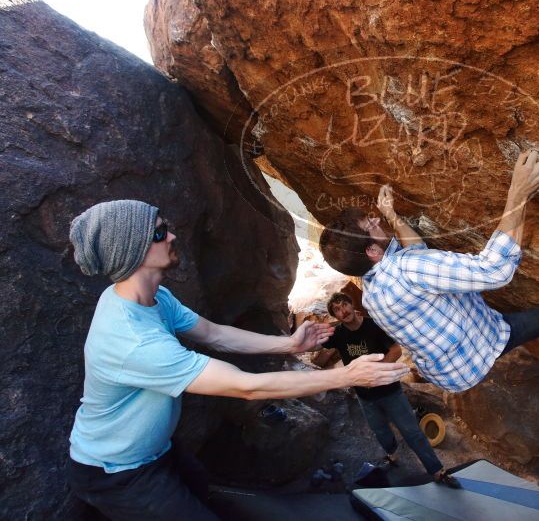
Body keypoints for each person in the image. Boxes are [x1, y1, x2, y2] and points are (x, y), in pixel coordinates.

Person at [65, 200, 409, 520]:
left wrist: (287, 344)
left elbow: (214, 334)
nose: (171, 235)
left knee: (212, 496)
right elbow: (247, 387)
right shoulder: (133, 340)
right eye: (158, 233)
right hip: (117, 472)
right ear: (132, 252)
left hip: (155, 452)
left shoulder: (152, 298)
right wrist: (346, 376)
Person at [319, 149, 539, 393]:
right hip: (480, 349)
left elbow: (416, 254)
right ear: (372, 252)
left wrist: (392, 216)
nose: (374, 220)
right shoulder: (408, 269)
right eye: (369, 225)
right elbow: (494, 271)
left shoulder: (372, 291)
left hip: (446, 374)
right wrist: (519, 191)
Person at [322, 292, 459, 488]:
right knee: (380, 430)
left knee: (412, 431)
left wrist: (377, 372)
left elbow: (396, 350)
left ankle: (437, 470)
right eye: (337, 309)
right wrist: (307, 334)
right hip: (364, 396)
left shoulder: (373, 325)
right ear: (335, 316)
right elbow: (313, 345)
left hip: (390, 392)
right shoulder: (339, 334)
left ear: (352, 305)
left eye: (345, 304)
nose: (343, 311)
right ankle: (392, 456)